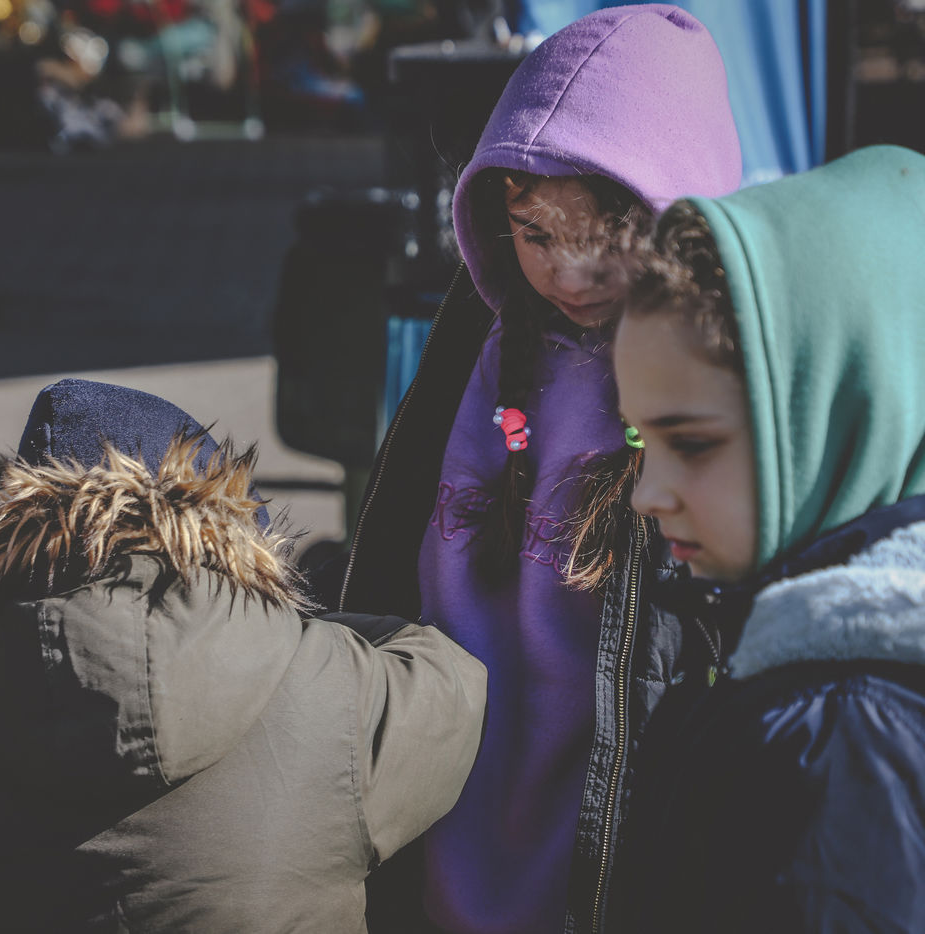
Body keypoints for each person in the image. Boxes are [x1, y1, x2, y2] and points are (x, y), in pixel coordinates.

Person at [0, 378, 486, 934]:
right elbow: (455, 681)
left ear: (12, 546)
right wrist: (303, 630)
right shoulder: (341, 696)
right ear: (233, 529)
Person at [331, 5, 742, 931]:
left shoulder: (710, 392)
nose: (568, 274)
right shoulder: (483, 349)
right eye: (536, 234)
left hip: (608, 812)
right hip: (452, 784)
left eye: (606, 236)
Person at [608, 145, 925, 931]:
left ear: (846, 412)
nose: (646, 494)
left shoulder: (840, 738)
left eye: (691, 443)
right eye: (638, 440)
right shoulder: (846, 680)